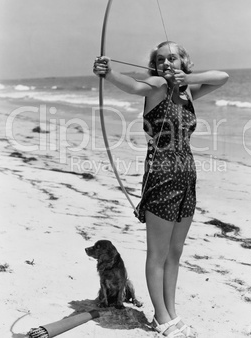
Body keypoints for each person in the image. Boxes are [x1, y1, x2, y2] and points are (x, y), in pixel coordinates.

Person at [93, 41, 229, 337]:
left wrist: (186, 80)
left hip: (187, 174)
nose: (167, 63)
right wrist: (109, 73)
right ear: (154, 66)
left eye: (173, 58)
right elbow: (132, 85)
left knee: (175, 252)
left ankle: (171, 311)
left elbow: (223, 77)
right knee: (158, 253)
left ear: (183, 62)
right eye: (161, 59)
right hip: (163, 173)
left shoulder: (188, 90)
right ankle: (160, 315)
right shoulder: (156, 85)